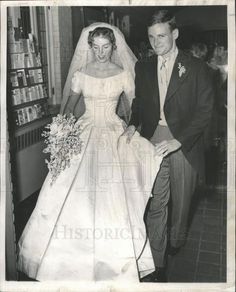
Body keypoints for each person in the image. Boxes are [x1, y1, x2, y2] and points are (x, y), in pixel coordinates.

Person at [17, 23, 162, 282]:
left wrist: (130, 127)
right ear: (90, 48)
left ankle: (114, 260)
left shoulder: (123, 74)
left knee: (113, 195)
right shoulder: (81, 74)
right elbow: (69, 108)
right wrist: (64, 133)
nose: (101, 52)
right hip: (85, 131)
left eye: (106, 47)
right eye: (96, 48)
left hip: (113, 131)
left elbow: (135, 107)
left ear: (113, 47)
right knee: (68, 190)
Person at [123, 10, 214, 282]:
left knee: (182, 203)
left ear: (175, 34)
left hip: (185, 141)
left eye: (161, 36)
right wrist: (132, 124)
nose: (155, 42)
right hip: (153, 140)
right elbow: (140, 104)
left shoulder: (197, 68)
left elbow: (205, 111)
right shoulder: (144, 66)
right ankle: (158, 262)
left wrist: (179, 140)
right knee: (156, 202)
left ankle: (177, 240)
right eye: (151, 37)